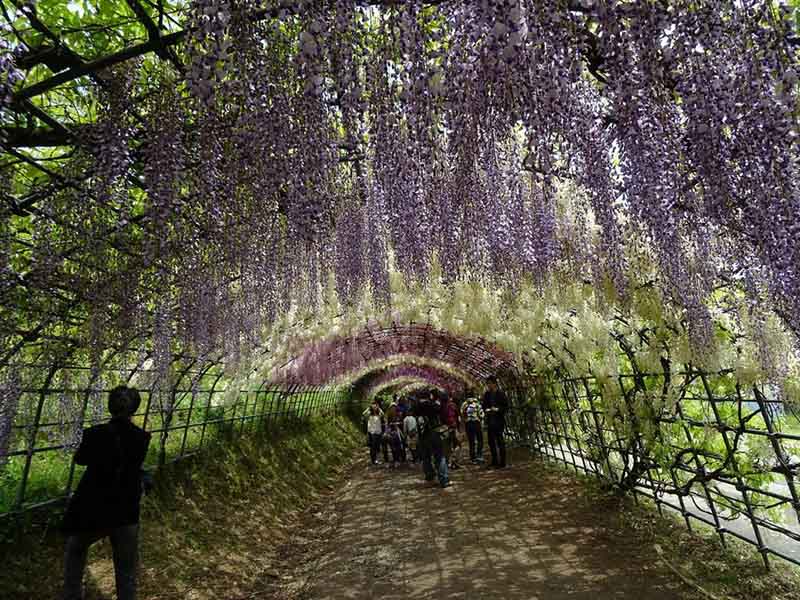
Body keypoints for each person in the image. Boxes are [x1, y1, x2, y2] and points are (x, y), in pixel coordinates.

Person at [62, 386, 152, 600]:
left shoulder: (94, 433)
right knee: (126, 569)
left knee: (76, 549)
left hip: (94, 505)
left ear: (110, 406)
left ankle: (73, 595)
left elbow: (81, 459)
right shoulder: (142, 437)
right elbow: (133, 465)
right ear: (134, 409)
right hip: (126, 508)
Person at [481, 376, 509, 468]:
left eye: (489, 383)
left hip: (498, 421)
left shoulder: (500, 394)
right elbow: (484, 406)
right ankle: (494, 461)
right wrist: (487, 410)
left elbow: (506, 407)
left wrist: (497, 409)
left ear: (494, 383)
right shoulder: (487, 394)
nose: (488, 385)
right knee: (491, 442)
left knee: (500, 441)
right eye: (487, 384)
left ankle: (502, 462)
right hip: (490, 421)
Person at [461, 393, 484, 463]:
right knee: (480, 440)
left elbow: (462, 413)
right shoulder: (477, 403)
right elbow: (481, 414)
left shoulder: (464, 404)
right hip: (476, 423)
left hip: (468, 424)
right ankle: (479, 456)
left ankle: (473, 458)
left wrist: (465, 420)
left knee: (471, 441)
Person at [443, 395, 461, 469]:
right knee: (457, 445)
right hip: (453, 427)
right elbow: (457, 417)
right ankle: (454, 461)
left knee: (447, 446)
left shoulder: (441, 406)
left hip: (445, 428)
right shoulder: (452, 405)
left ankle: (447, 463)